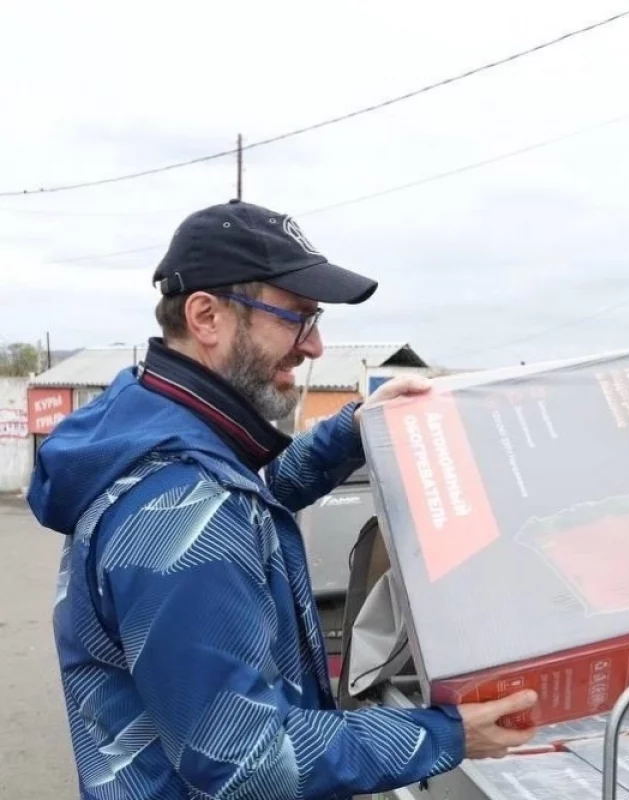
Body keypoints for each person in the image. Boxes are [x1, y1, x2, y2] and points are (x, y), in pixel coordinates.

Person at [28, 200, 538, 800]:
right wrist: (445, 735)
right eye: (296, 316)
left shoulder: (152, 426)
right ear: (207, 317)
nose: (315, 345)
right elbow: (246, 762)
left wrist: (353, 431)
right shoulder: (181, 508)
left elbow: (254, 503)